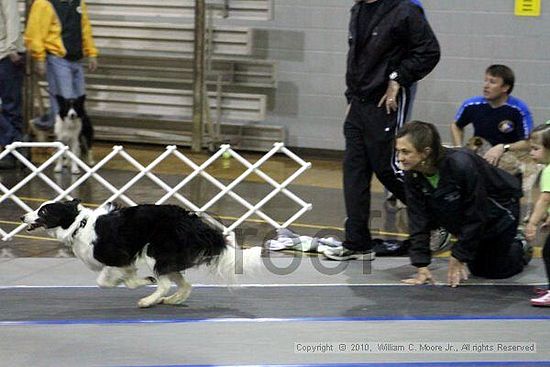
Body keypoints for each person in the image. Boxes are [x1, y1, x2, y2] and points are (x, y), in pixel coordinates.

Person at [324, 0, 440, 261]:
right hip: (358, 103)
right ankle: (357, 242)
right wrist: (350, 98)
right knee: (354, 171)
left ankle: (438, 217)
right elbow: (356, 59)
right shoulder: (357, 9)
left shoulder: (405, 9)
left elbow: (429, 52)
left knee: (387, 166)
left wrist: (398, 78)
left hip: (386, 100)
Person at [396, 121, 531, 287]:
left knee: (494, 271)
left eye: (405, 152)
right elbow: (418, 218)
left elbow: (476, 212)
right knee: (476, 266)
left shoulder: (461, 164)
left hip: (501, 211)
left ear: (425, 152)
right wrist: (421, 264)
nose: (400, 158)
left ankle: (521, 246)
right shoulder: (412, 174)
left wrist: (459, 254)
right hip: (460, 212)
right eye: (398, 151)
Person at [24, 0, 97, 163]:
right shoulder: (44, 3)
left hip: (76, 59)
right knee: (64, 105)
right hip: (57, 59)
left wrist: (91, 52)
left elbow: (85, 28)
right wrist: (40, 58)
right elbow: (35, 32)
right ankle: (63, 153)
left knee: (78, 107)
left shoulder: (78, 3)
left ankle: (47, 128)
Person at [451, 64, 533, 165]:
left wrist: (503, 147)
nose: (486, 86)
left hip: (508, 155)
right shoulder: (472, 104)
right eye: (486, 80)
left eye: (492, 82)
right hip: (481, 152)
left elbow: (528, 143)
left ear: (505, 87)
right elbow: (456, 125)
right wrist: (459, 149)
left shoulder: (519, 109)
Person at [525, 123, 550, 306]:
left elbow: (545, 200)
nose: (532, 153)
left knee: (549, 252)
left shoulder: (548, 171)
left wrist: (532, 223)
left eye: (536, 149)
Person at [0, 0, 25, 169]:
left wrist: (12, 47)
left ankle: (13, 153)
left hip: (6, 54)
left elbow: (12, 17)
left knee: (11, 105)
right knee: (11, 105)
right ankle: (17, 144)